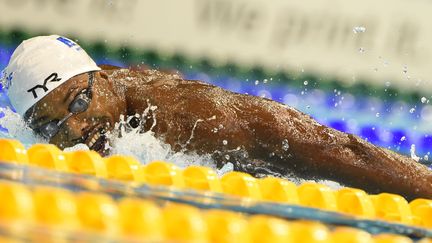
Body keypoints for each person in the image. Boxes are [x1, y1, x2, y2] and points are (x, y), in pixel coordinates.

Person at [2, 35, 431, 200]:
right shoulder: (102, 88)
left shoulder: (196, 121)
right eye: (49, 125)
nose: (73, 131)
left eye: (78, 104)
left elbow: (337, 148)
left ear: (102, 79)